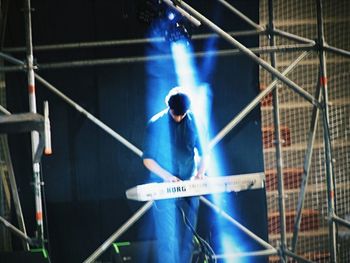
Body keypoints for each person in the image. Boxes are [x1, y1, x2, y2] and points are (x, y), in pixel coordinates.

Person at [142, 86, 206, 263]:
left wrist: (200, 173)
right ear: (169, 108)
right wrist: (167, 176)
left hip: (189, 185)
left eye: (182, 114)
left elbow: (205, 152)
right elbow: (148, 159)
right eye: (175, 114)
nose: (178, 118)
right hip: (164, 187)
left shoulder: (195, 122)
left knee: (188, 238)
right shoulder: (156, 124)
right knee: (167, 239)